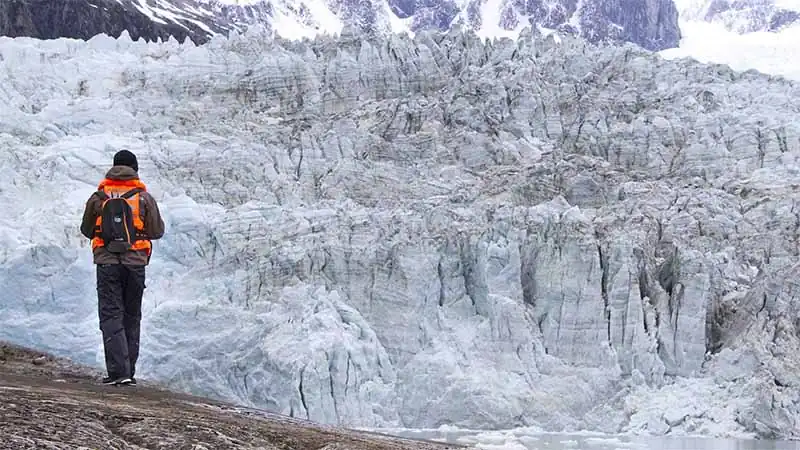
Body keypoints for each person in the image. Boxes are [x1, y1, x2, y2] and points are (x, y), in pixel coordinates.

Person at [80, 150, 165, 386]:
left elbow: (87, 230)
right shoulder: (143, 198)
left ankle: (118, 372)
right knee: (131, 315)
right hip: (135, 264)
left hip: (107, 262)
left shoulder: (99, 196)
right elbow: (157, 231)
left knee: (110, 315)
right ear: (135, 169)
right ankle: (130, 371)